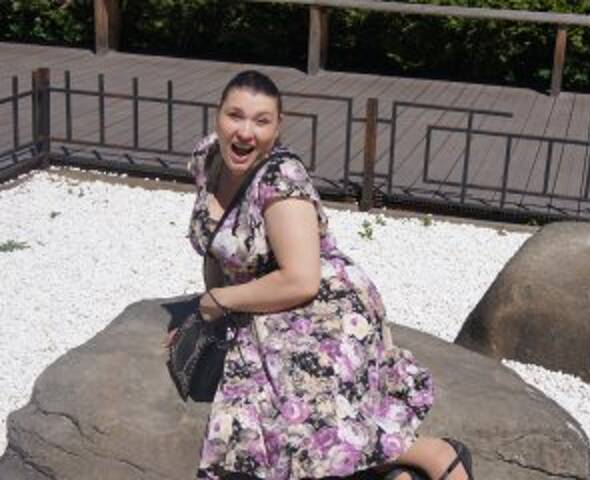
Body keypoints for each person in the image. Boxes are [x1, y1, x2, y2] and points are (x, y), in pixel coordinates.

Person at [171, 70, 473, 480]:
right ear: (218, 115)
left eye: (261, 121)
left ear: (278, 127)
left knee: (303, 419)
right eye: (235, 115)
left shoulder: (281, 180)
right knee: (267, 422)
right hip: (262, 301)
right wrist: (205, 315)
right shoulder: (209, 158)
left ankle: (433, 454)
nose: (245, 132)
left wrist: (219, 300)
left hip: (321, 303)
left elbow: (301, 280)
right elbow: (216, 245)